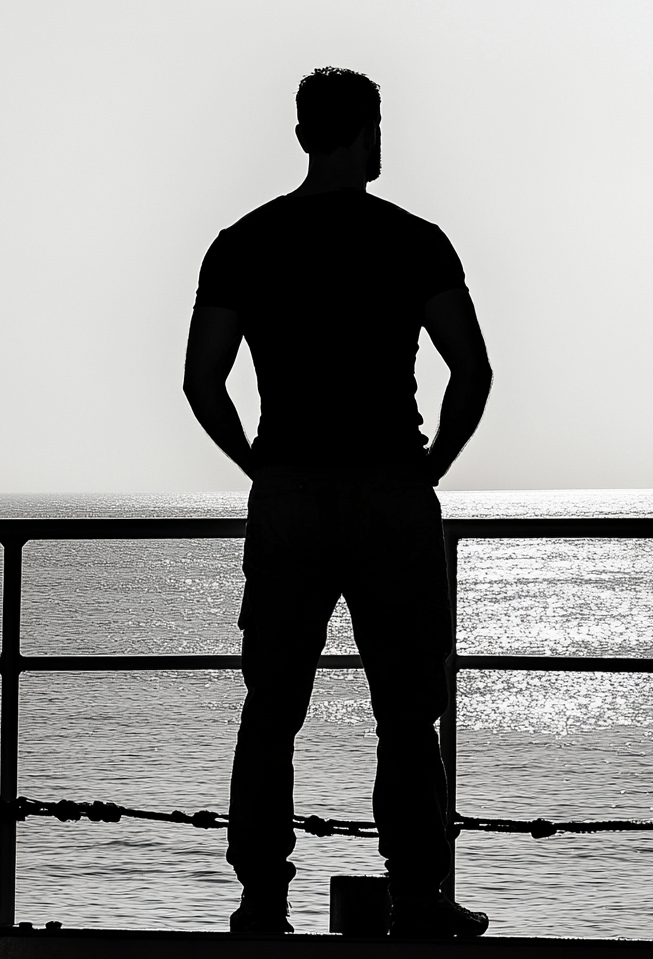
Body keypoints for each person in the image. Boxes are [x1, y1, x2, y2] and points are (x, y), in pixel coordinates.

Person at [183, 67, 493, 938]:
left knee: (271, 706)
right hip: (391, 490)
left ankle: (261, 900)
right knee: (407, 708)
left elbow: (202, 379)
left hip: (289, 493)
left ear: (302, 134)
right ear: (366, 132)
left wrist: (258, 463)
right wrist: (433, 464)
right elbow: (471, 369)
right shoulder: (414, 241)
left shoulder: (243, 243)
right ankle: (420, 896)